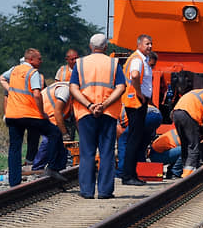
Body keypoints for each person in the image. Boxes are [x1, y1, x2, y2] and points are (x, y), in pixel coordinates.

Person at [69, 33, 126, 199]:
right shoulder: (114, 63)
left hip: (86, 113)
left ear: (90, 46)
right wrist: (104, 105)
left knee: (87, 152)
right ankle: (105, 191)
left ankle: (86, 191)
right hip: (108, 113)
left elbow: (73, 88)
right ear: (106, 48)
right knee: (106, 152)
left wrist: (89, 105)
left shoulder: (80, 63)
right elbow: (120, 87)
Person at [3, 48, 66, 187]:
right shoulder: (33, 73)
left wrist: (10, 90)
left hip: (12, 115)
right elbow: (37, 94)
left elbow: (2, 77)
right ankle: (54, 167)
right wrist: (42, 112)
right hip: (29, 114)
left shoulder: (14, 70)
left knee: (15, 148)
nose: (41, 61)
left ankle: (14, 182)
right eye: (39, 58)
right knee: (55, 132)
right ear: (31, 59)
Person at [120, 34, 154, 186]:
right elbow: (134, 76)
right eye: (147, 44)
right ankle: (128, 176)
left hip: (136, 102)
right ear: (139, 44)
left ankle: (131, 174)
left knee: (135, 138)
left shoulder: (141, 59)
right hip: (135, 102)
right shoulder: (137, 59)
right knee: (134, 139)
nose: (150, 46)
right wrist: (140, 95)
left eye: (151, 44)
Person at [171, 86, 203, 178]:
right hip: (189, 115)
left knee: (185, 145)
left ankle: (183, 169)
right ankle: (188, 174)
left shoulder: (197, 91)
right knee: (193, 145)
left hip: (176, 113)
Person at [30, 81, 71, 171]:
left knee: (56, 139)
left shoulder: (68, 89)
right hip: (42, 113)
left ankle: (58, 165)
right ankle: (37, 167)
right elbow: (57, 112)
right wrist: (65, 133)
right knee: (48, 139)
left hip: (48, 114)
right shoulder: (65, 91)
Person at [115, 105, 162, 180]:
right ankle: (140, 170)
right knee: (140, 146)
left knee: (123, 140)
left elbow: (120, 133)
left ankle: (121, 171)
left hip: (146, 116)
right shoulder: (124, 106)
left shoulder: (114, 112)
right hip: (157, 116)